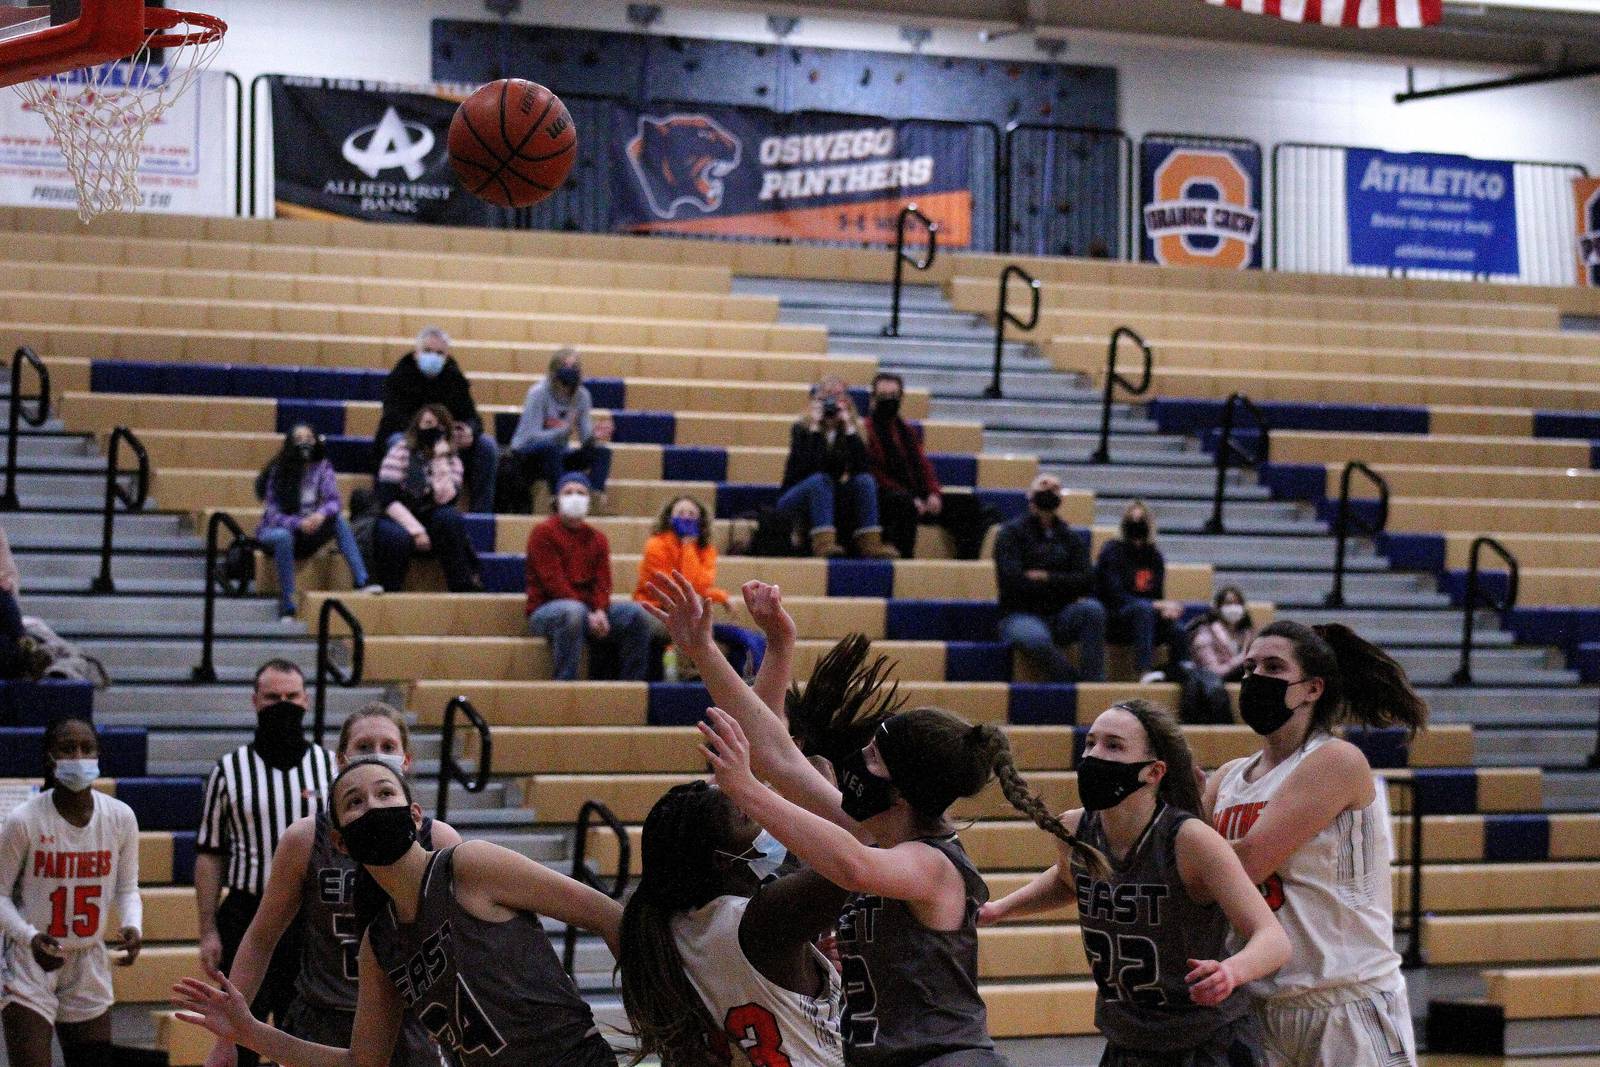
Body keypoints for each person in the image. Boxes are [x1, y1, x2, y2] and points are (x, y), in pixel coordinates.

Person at [648, 569, 1105, 1066]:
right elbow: (778, 753)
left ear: (902, 793)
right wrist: (704, 651)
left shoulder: (934, 866)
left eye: (870, 759)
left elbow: (852, 867)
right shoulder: (870, 828)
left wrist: (748, 792)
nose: (853, 767)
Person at [174, 757, 624, 1067]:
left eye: (384, 793)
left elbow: (610, 916)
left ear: (414, 816)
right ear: (340, 843)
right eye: (354, 802)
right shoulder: (380, 944)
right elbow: (362, 1062)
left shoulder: (469, 865)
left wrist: (657, 1019)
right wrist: (250, 1032)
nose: (371, 805)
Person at [980, 700, 1289, 1066]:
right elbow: (1069, 879)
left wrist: (1232, 971)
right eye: (1090, 742)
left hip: (1205, 1042)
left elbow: (1274, 939)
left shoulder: (1190, 840)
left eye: (1113, 745)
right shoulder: (1076, 828)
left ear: (1153, 772)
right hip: (1127, 1038)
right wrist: (1002, 908)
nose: (1094, 754)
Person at [1204, 621, 1429, 1067]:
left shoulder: (1335, 760)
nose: (1255, 678)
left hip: (1344, 1002)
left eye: (1273, 667)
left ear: (1311, 689)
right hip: (1258, 1005)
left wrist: (1176, 840)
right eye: (1248, 667)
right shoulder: (1228, 778)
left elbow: (1241, 866)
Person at [202, 703, 462, 1067]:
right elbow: (261, 937)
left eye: (388, 747)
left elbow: (465, 941)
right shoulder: (306, 838)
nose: (376, 755)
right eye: (364, 746)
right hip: (322, 1018)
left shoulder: (439, 838)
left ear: (406, 761)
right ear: (341, 761)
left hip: (410, 1024)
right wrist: (226, 1034)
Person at [619, 780, 849, 1067]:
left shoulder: (668, 927)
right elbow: (856, 862)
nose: (761, 815)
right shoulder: (763, 918)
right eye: (746, 815)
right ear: (722, 860)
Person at [195, 660, 338, 1067]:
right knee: (236, 1040)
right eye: (273, 697)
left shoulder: (330, 768)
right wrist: (207, 930)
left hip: (310, 921)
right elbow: (209, 854)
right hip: (244, 914)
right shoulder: (227, 770)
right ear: (255, 701)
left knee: (302, 1041)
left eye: (291, 697)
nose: (283, 705)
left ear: (306, 700)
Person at [0, 716, 141, 1067]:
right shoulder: (23, 820)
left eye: (86, 747)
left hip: (88, 957)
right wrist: (29, 936)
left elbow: (127, 888)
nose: (79, 755)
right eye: (67, 748)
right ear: (50, 756)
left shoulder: (121, 817)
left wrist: (132, 924)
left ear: (98, 755)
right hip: (30, 959)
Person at [525, 472, 650, 681]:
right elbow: (553, 582)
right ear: (557, 499)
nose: (575, 497)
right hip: (548, 610)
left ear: (589, 500)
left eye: (581, 493)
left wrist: (600, 610)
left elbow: (603, 583)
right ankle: (565, 685)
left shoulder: (598, 538)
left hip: (589, 611)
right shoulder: (542, 532)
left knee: (635, 615)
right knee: (573, 612)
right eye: (568, 492)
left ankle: (631, 686)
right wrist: (589, 612)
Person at [254, 425, 381, 621]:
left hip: (309, 529)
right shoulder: (278, 470)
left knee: (337, 520)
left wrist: (320, 515)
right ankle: (287, 605)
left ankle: (362, 580)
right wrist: (298, 523)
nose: (304, 443)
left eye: (309, 438)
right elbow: (272, 514)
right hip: (278, 532)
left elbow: (334, 501)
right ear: (290, 444)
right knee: (283, 536)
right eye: (299, 439)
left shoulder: (323, 466)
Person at [633, 495, 766, 679]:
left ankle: (697, 674)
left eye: (691, 514)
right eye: (681, 513)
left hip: (685, 608)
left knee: (695, 604)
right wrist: (720, 596)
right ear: (670, 519)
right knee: (692, 604)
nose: (686, 517)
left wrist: (688, 547)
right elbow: (671, 589)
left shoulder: (707, 550)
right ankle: (691, 675)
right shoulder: (655, 545)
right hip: (654, 608)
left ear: (701, 521)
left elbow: (700, 584)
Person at [372, 326, 498, 514]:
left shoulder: (454, 378)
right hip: (411, 440)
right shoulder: (399, 377)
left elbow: (472, 417)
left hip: (447, 445)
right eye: (428, 351)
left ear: (446, 357)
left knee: (487, 446)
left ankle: (481, 515)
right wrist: (426, 434)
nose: (434, 357)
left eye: (440, 353)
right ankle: (406, 508)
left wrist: (470, 431)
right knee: (397, 442)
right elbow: (392, 418)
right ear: (416, 354)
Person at [994, 473, 1107, 683]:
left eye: (1055, 488)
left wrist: (1045, 577)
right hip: (1019, 614)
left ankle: (1094, 684)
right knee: (1037, 639)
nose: (1049, 490)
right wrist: (1064, 583)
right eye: (1044, 485)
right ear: (1030, 494)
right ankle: (1073, 684)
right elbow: (1012, 582)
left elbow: (1086, 581)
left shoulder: (1070, 537)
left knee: (1093, 610)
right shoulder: (1010, 533)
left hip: (1060, 614)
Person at [863, 372, 989, 560]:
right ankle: (905, 563)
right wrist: (911, 499)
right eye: (883, 396)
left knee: (968, 505)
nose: (889, 401)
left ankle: (966, 563)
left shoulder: (906, 430)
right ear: (873, 398)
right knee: (902, 503)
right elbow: (874, 473)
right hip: (888, 498)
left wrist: (933, 493)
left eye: (893, 396)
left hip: (917, 496)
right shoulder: (866, 430)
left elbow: (924, 466)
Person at [777, 376, 898, 559]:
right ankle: (823, 544)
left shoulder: (853, 430)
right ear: (816, 401)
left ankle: (870, 544)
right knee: (820, 480)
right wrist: (816, 429)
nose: (832, 403)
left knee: (865, 481)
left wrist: (849, 429)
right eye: (827, 397)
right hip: (797, 495)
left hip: (830, 495)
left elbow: (862, 467)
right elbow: (808, 468)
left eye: (838, 397)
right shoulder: (802, 429)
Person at [372, 405, 482, 594]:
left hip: (431, 513)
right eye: (428, 423)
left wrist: (440, 459)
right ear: (417, 426)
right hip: (397, 515)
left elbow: (445, 499)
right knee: (396, 538)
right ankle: (390, 593)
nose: (433, 429)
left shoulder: (453, 460)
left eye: (439, 425)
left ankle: (462, 588)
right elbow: (388, 499)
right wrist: (417, 531)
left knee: (449, 518)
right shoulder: (400, 450)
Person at [1096, 501, 1189, 683]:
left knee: (1176, 628)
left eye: (1141, 519)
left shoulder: (1154, 556)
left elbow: (1157, 596)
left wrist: (1166, 610)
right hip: (1115, 617)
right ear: (1125, 523)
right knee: (1143, 609)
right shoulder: (1112, 550)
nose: (1137, 523)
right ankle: (1144, 672)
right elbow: (1114, 595)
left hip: (1146, 617)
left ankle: (1184, 673)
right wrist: (1155, 605)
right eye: (1133, 519)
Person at [507, 347, 614, 505]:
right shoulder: (538, 393)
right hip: (527, 453)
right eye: (566, 366)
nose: (570, 372)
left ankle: (594, 496)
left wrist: (594, 437)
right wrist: (562, 431)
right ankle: (558, 498)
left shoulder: (582, 396)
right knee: (551, 449)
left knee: (602, 452)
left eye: (574, 367)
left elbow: (586, 440)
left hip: (558, 455)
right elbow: (529, 437)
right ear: (554, 370)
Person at [1189, 587, 1255, 683]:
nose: (1234, 608)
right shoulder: (1205, 635)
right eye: (1229, 603)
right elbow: (1213, 672)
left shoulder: (1247, 634)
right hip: (1215, 685)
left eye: (1238, 603)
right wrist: (1241, 658)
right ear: (1218, 608)